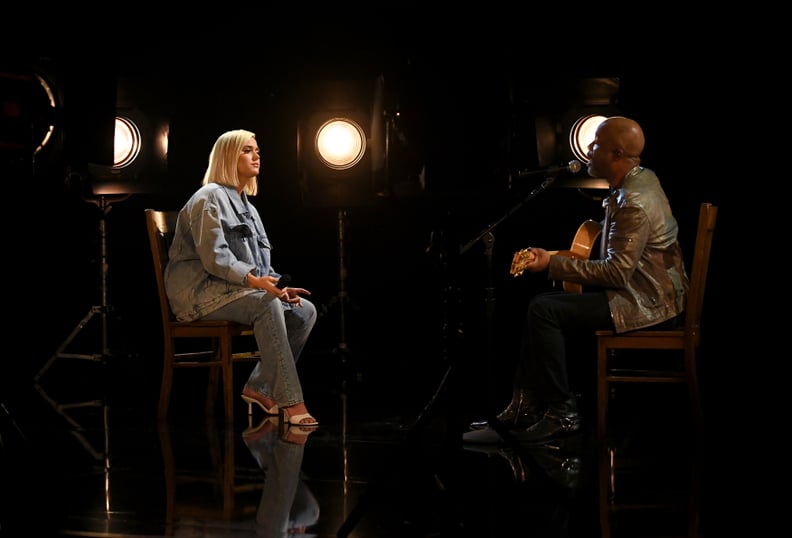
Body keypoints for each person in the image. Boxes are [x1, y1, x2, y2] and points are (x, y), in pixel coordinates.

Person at [463, 116, 688, 445]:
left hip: (648, 303)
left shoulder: (633, 202)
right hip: (645, 294)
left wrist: (554, 264)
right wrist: (555, 256)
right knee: (542, 307)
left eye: (595, 144)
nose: (588, 150)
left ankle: (561, 414)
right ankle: (524, 408)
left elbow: (616, 273)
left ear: (616, 153)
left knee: (544, 310)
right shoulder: (640, 180)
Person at [164, 128, 319, 428]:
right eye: (247, 150)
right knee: (264, 304)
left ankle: (259, 388)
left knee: (304, 311)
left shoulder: (250, 208)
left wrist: (278, 286)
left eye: (257, 149)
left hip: (234, 293)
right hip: (200, 295)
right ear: (227, 157)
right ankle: (291, 401)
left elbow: (259, 267)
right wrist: (258, 285)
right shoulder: (208, 198)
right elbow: (216, 259)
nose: (256, 155)